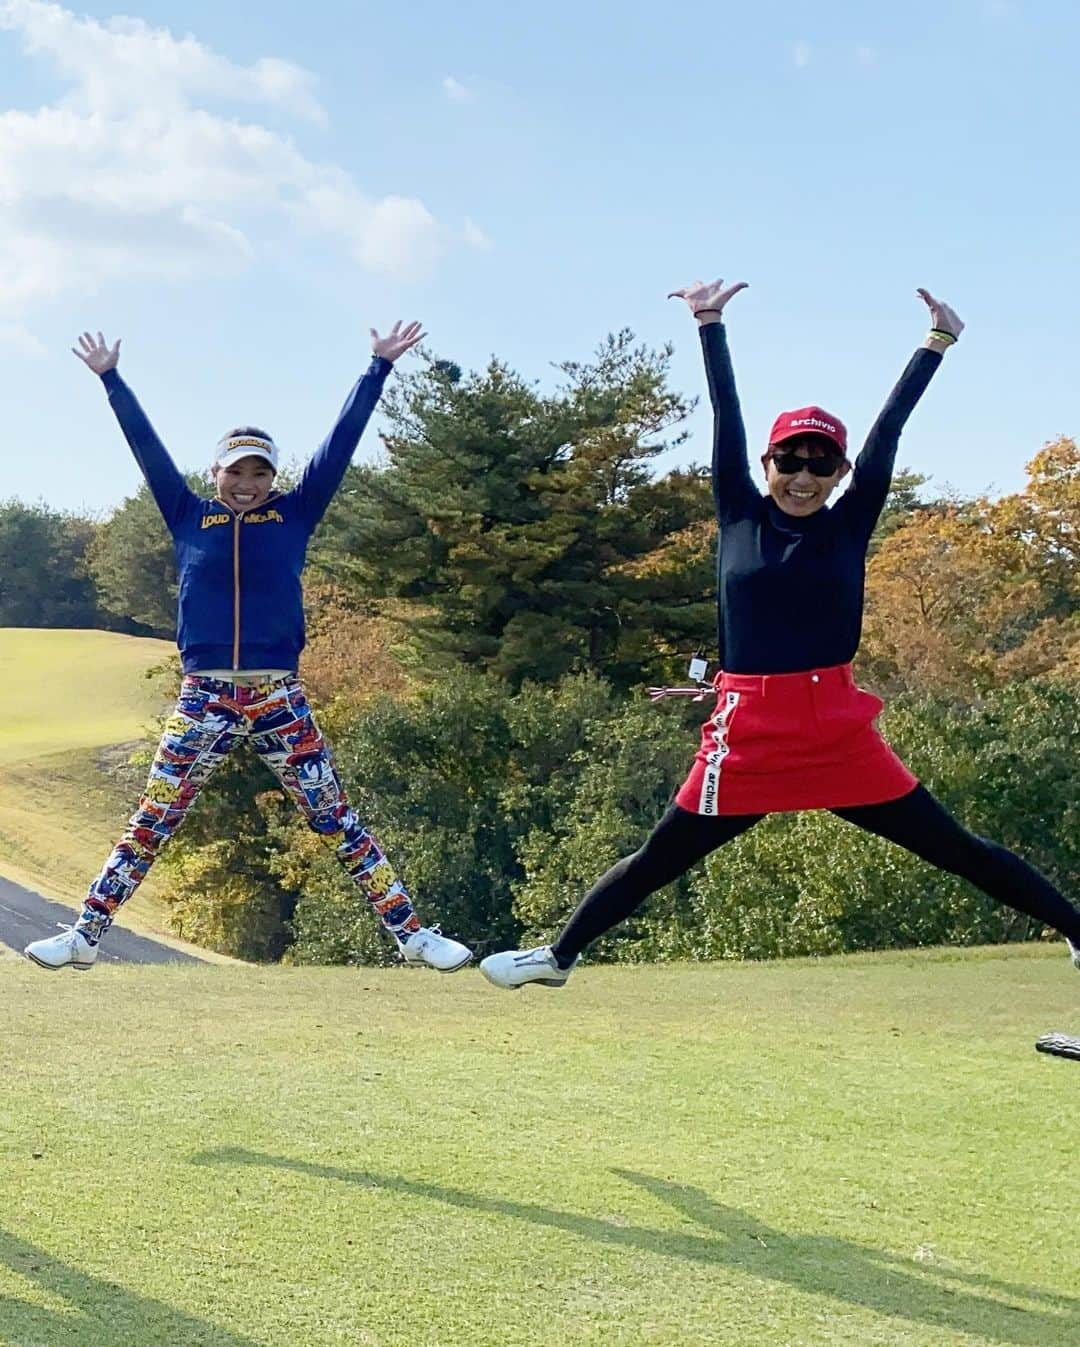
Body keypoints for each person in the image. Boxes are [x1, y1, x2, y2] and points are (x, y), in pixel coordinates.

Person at [480, 281, 1080, 989]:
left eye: (819, 463)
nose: (802, 475)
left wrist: (935, 343)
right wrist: (709, 323)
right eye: (788, 460)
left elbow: (888, 432)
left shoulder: (848, 522)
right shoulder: (739, 511)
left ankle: (1077, 931)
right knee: (658, 857)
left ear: (839, 472)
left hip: (836, 730)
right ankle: (557, 957)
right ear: (766, 465)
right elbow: (724, 414)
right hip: (748, 732)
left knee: (956, 849)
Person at [25, 324, 472, 974]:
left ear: (272, 476)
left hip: (276, 697)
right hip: (204, 695)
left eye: (259, 471)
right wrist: (111, 379)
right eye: (236, 471)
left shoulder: (294, 513)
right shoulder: (187, 515)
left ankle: (413, 935)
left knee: (337, 819)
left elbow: (339, 447)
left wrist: (376, 368)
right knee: (154, 818)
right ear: (217, 473)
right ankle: (86, 933)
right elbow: (145, 448)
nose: (247, 482)